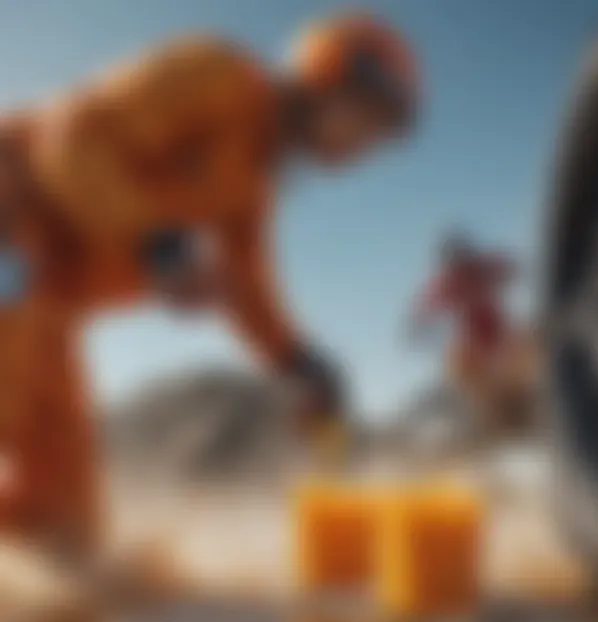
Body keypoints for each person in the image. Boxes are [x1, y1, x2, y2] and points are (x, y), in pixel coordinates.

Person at [0, 11, 420, 558]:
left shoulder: (250, 182)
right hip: (11, 235)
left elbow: (246, 287)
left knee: (62, 530)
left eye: (383, 134)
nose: (368, 144)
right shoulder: (218, 78)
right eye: (368, 116)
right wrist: (158, 242)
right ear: (324, 74)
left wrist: (298, 361)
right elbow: (71, 142)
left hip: (44, 303)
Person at [408, 231, 516, 398]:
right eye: (457, 268)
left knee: (509, 356)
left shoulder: (483, 267)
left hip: (496, 333)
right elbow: (424, 308)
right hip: (473, 344)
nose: (463, 274)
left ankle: (503, 388)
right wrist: (417, 326)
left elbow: (510, 268)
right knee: (461, 360)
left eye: (464, 265)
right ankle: (479, 395)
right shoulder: (447, 282)